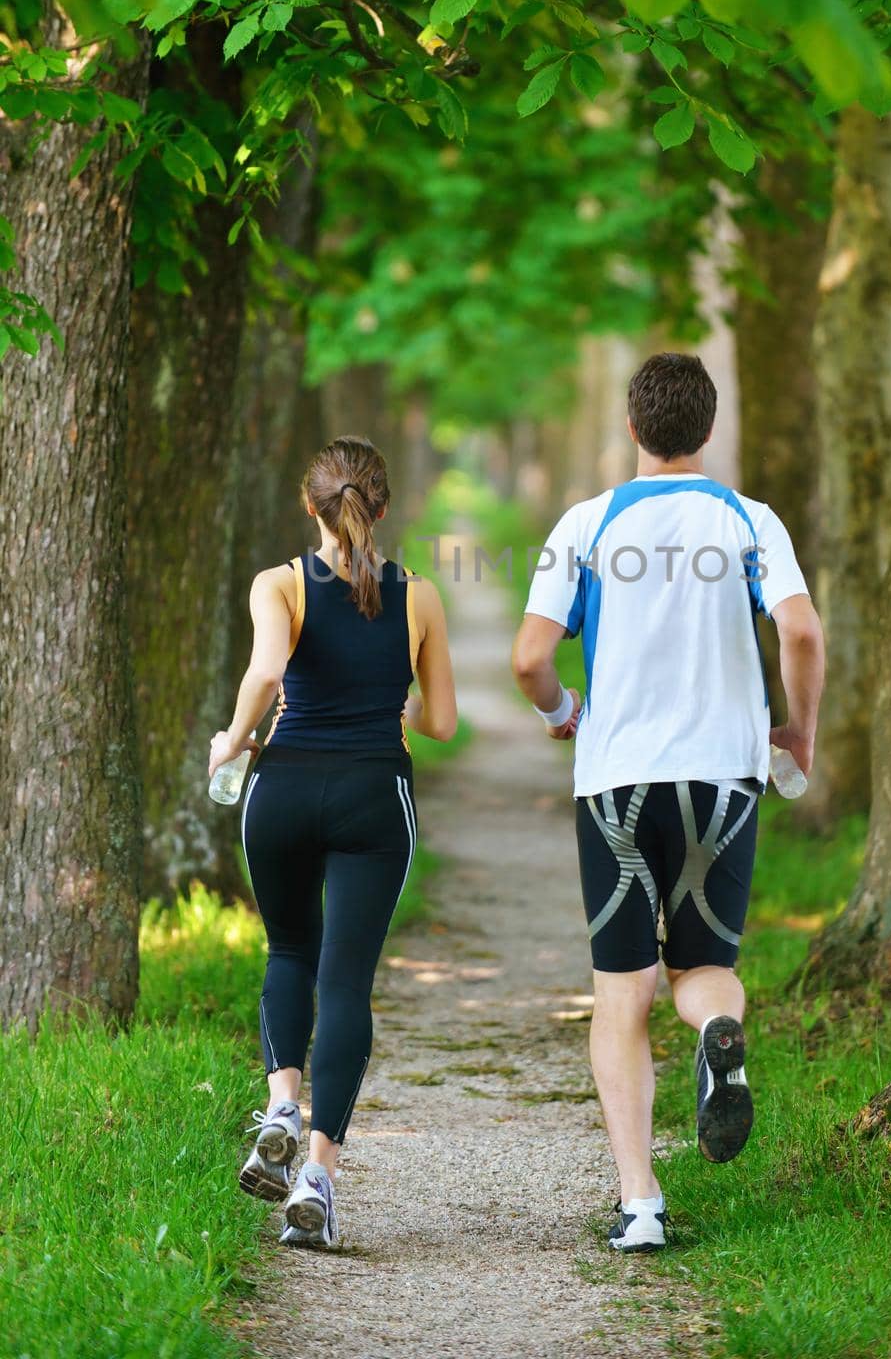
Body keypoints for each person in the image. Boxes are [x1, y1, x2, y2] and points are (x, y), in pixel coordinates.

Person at [512, 353, 824, 1253]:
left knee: (623, 993)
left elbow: (531, 657)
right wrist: (797, 733)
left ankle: (642, 1203)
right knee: (700, 969)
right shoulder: (749, 520)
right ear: (709, 430)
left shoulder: (587, 523)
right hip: (723, 778)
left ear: (632, 427)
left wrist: (563, 711)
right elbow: (800, 629)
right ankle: (719, 1033)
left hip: (617, 779)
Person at [209, 435, 457, 1249]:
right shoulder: (417, 596)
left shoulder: (278, 584)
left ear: (307, 506)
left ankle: (280, 1106)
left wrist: (233, 739)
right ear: (382, 509)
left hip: (281, 789)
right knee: (346, 982)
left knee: (288, 954)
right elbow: (444, 721)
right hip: (373, 796)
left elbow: (270, 670)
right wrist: (392, 702)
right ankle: (315, 1176)